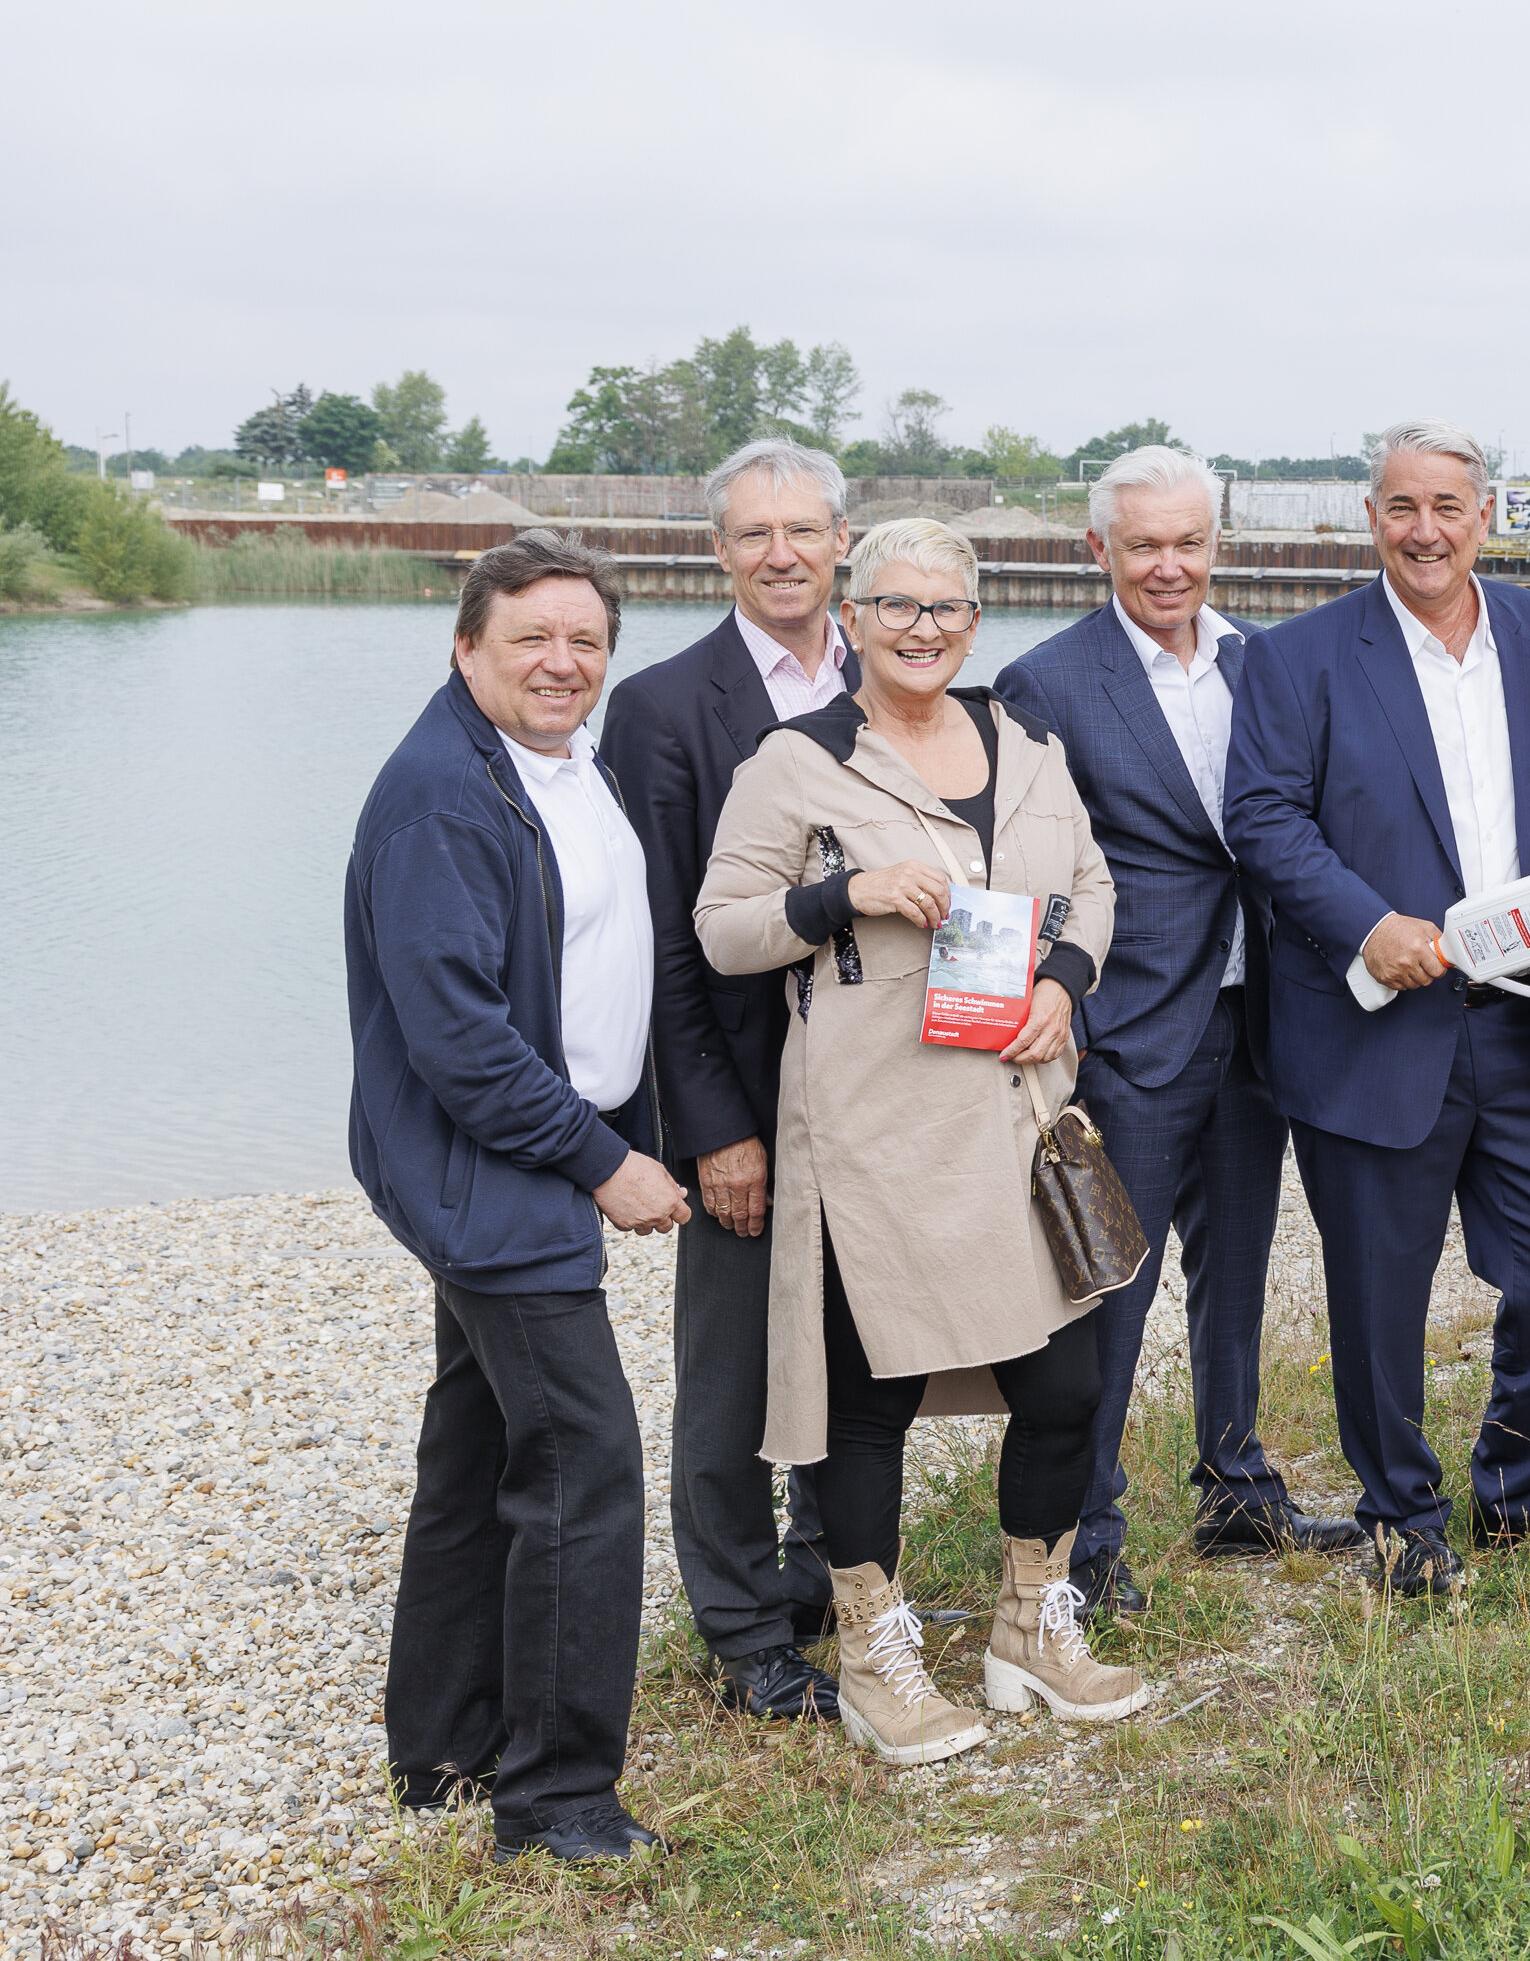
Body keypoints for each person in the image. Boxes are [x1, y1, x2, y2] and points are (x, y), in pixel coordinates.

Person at [694, 516, 1150, 1763]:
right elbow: (724, 927)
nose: (922, 628)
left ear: (974, 619)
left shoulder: (1029, 745)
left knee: (1065, 1384)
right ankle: (875, 1654)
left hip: (1020, 1116)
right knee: (871, 1398)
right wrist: (845, 893)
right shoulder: (795, 763)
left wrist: (1065, 975)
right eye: (896, 606)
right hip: (874, 1128)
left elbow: (1096, 887)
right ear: (853, 612)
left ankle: (1029, 1629)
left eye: (945, 608)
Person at [1222, 421, 1530, 1597]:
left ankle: (1515, 1489)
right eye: (1402, 507)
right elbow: (1264, 819)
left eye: (1447, 506)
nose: (1425, 530)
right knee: (1379, 1298)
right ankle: (1404, 1516)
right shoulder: (1296, 660)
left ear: (1485, 516)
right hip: (1375, 1024)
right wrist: (1366, 923)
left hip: (1527, 1013)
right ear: (1371, 519)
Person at [344, 529, 690, 1863]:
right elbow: (463, 1040)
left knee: (478, 1450)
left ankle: (442, 1747)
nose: (563, 661)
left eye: (586, 641)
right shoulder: (443, 795)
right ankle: (555, 1802)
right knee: (584, 1467)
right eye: (531, 637)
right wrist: (606, 1163)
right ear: (465, 645)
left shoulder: (553, 764)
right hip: (494, 1167)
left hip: (526, 1152)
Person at [994, 445, 1361, 1615]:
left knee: (1238, 1265)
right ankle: (1086, 1533)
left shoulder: (1267, 662)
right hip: (1130, 1025)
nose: (1169, 565)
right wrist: (1060, 1012)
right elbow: (1021, 872)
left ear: (1219, 544)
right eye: (1144, 543)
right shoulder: (1044, 682)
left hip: (1266, 1014)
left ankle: (1237, 1486)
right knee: (1110, 1283)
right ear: (1097, 548)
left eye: (1189, 542)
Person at [599, 439, 857, 1721]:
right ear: (719, 553)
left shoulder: (896, 671)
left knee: (857, 1353)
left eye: (803, 529)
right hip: (742, 1096)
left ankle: (828, 1575)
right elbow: (656, 936)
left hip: (879, 1094)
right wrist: (711, 1129)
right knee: (733, 1372)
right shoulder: (658, 707)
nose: (782, 554)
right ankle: (747, 1629)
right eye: (754, 534)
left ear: (841, 542)